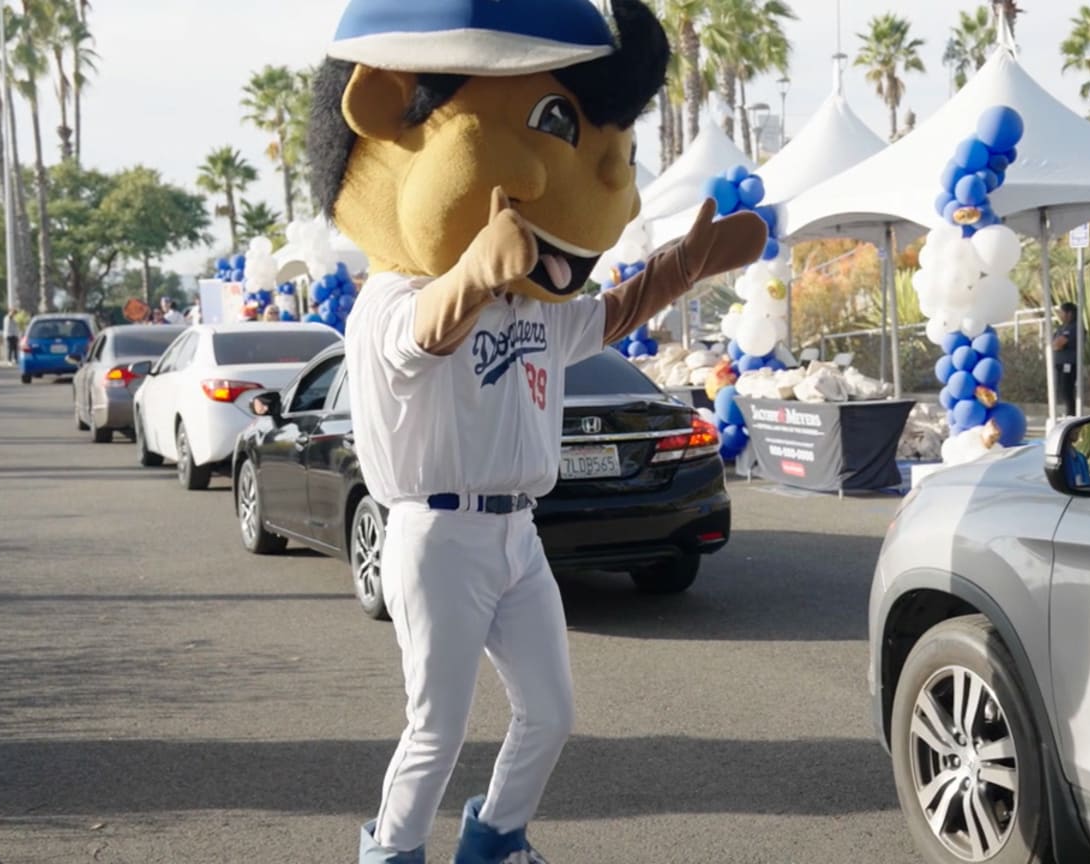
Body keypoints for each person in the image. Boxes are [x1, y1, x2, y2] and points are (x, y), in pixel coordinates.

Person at [309, 2, 767, 862]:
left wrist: (682, 266)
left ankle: (494, 838)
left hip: (518, 530)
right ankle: (392, 851)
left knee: (551, 711)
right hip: (436, 532)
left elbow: (610, 313)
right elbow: (431, 330)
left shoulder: (530, 301)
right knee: (436, 727)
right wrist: (477, 265)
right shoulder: (390, 300)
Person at [1051, 302, 1078, 419]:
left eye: (1062, 312)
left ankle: (1071, 414)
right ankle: (1068, 413)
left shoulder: (1075, 327)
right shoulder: (1062, 328)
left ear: (1069, 313)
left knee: (1068, 390)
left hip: (1069, 364)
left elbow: (1058, 344)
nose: (1060, 315)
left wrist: (1056, 344)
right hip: (1060, 364)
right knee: (1062, 390)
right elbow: (1052, 343)